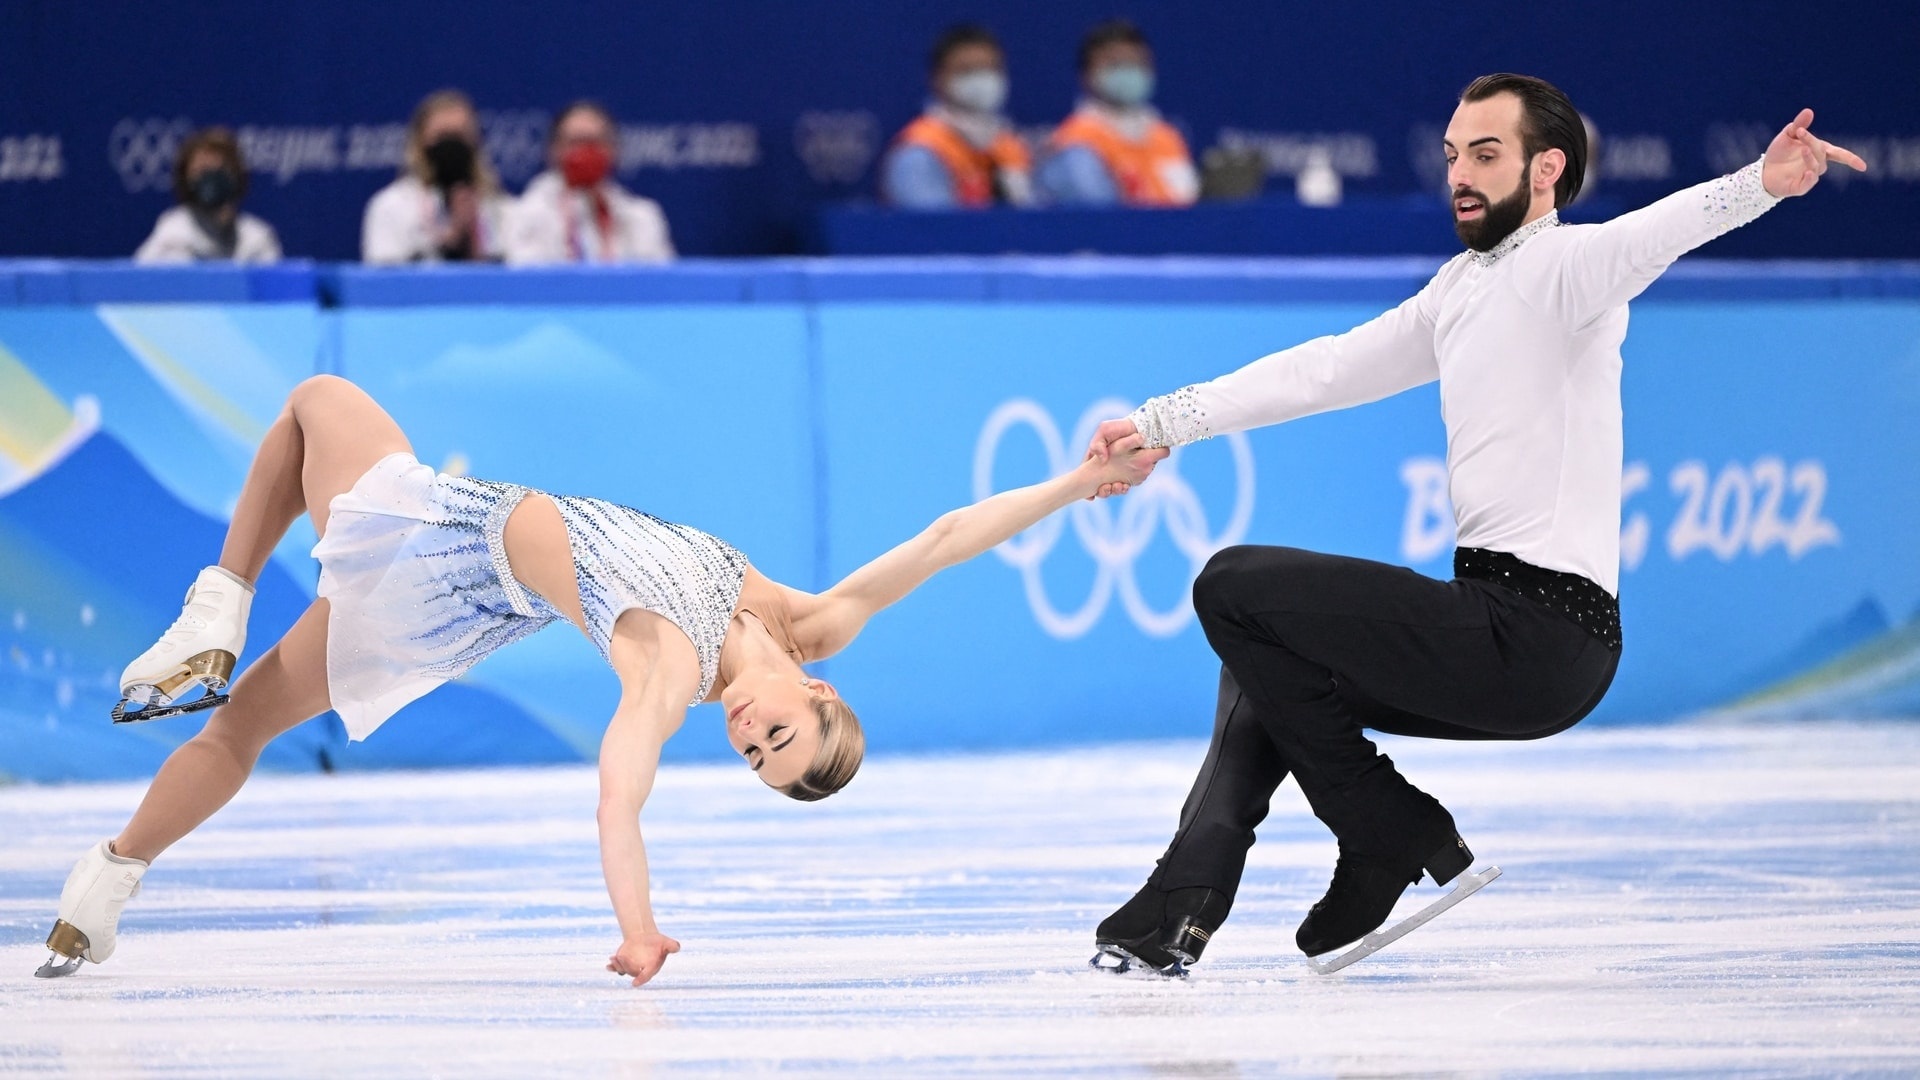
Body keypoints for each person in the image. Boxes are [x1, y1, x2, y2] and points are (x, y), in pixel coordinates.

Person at [1081, 75, 1867, 976]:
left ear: (1546, 170)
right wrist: (1164, 422)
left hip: (1543, 634)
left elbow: (1658, 231)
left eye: (1485, 155)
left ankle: (1386, 823)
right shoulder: (1460, 289)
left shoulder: (1569, 270)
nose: (1460, 173)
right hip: (1494, 626)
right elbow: (1325, 370)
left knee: (1232, 585)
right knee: (1266, 656)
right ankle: (1185, 901)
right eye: (1453, 154)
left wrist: (1759, 183)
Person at [35, 375, 1164, 984]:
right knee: (243, 727)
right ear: (819, 694)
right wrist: (1078, 484)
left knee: (316, 400)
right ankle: (110, 879)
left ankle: (218, 599)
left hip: (448, 544)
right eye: (779, 736)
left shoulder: (671, 669)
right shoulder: (812, 624)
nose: (750, 738)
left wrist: (640, 928)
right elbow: (948, 536)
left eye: (756, 762)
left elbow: (620, 795)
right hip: (471, 613)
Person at [1037, 20, 1197, 207]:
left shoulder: (1168, 137)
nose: (1128, 71)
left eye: (1137, 62)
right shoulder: (1075, 139)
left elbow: (1187, 201)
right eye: (1115, 64)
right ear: (1086, 74)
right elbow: (1096, 219)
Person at [881, 24, 1035, 208]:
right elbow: (931, 230)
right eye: (966, 70)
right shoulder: (919, 152)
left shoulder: (1009, 145)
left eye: (990, 69)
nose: (981, 80)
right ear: (937, 78)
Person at [502, 101, 674, 264]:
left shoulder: (642, 217)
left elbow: (660, 283)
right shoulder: (523, 214)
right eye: (576, 143)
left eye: (595, 143)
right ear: (554, 150)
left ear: (614, 150)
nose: (586, 152)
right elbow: (528, 279)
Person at [361, 89, 510, 264]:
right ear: (419, 142)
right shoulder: (390, 207)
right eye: (442, 137)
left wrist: (472, 239)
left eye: (460, 137)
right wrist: (450, 241)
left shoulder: (499, 207)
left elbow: (514, 273)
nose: (452, 148)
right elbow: (384, 278)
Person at [133, 127, 281, 264]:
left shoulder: (257, 238)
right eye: (202, 170)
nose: (211, 178)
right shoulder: (170, 236)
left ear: (237, 175)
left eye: (221, 168)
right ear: (186, 178)